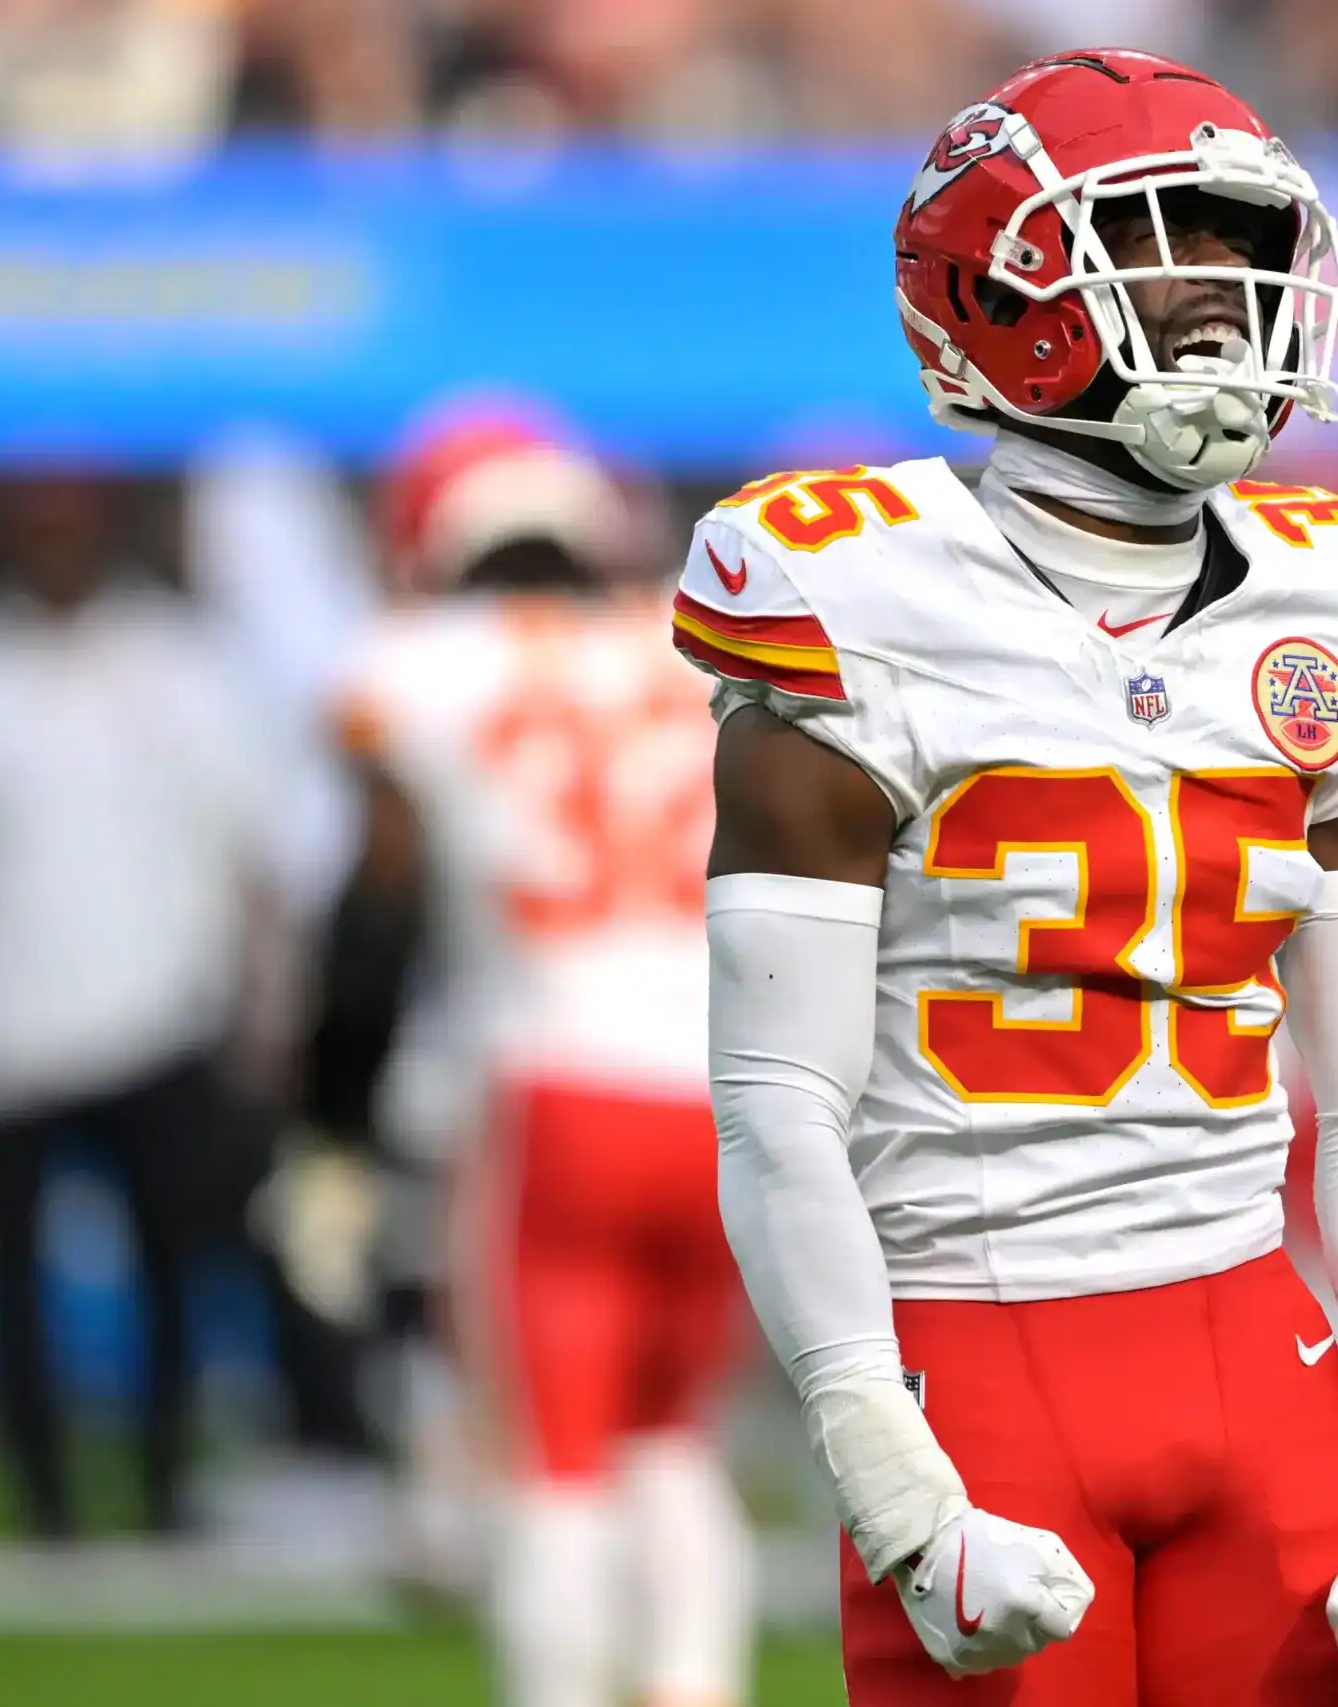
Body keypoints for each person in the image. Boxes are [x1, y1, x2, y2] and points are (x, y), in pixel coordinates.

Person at [676, 48, 1338, 1705]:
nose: (1228, 292)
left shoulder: (1331, 598)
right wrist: (900, 1492)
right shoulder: (848, 588)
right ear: (996, 290)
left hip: (1258, 1347)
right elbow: (776, 1106)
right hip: (975, 1359)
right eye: (1164, 237)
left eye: (1243, 245)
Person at [329, 409, 751, 1707]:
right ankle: (693, 1680)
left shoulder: (412, 665)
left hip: (557, 1089)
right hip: (731, 1087)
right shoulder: (704, 651)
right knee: (674, 1437)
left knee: (554, 1457)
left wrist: (326, 1107)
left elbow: (375, 909)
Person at [0, 474, 287, 1538]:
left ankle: (163, 1483)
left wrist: (265, 1014)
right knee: (11, 1284)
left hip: (163, 1020)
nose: (55, 547)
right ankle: (46, 1503)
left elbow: (256, 860)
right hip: (5, 1036)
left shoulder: (183, 665)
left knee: (173, 1270)